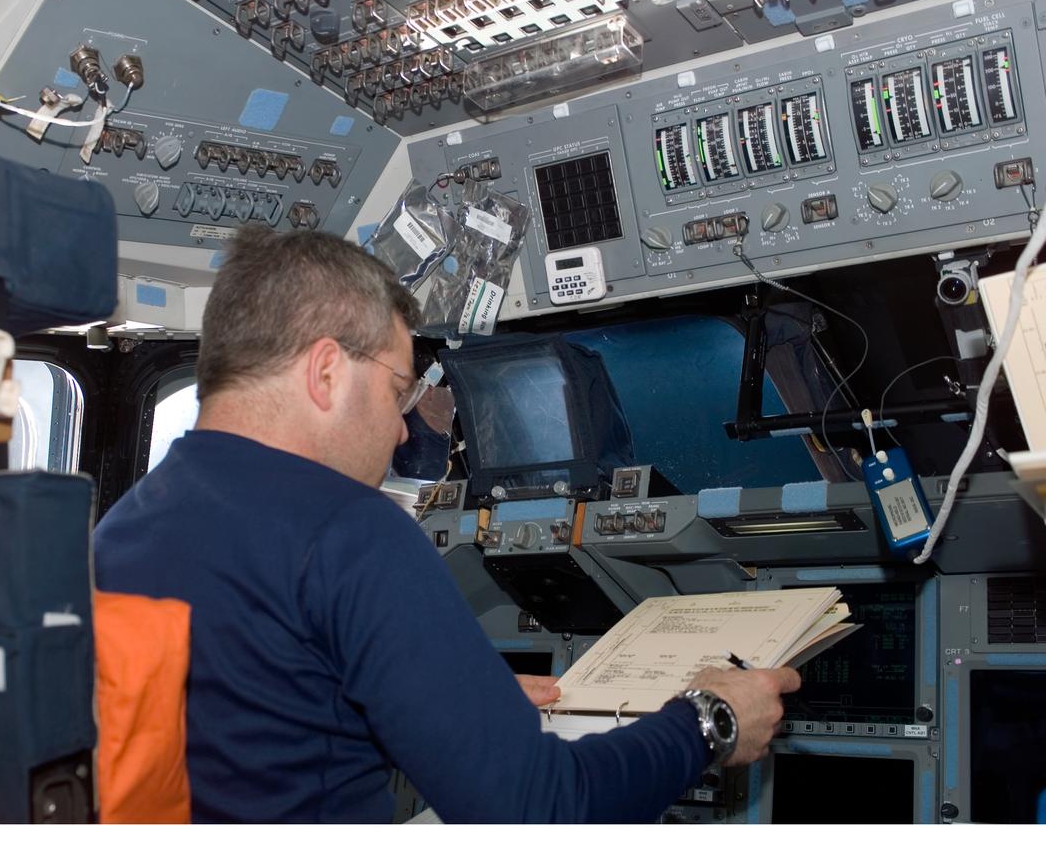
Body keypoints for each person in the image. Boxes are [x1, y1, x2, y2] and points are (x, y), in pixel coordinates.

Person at [93, 227, 799, 823]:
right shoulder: (350, 531)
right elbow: (537, 808)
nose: (404, 431)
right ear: (327, 372)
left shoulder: (119, 533)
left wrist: (435, 704)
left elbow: (250, 734)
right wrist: (708, 722)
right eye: (398, 392)